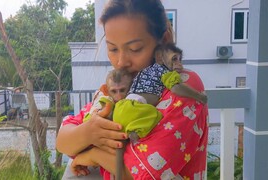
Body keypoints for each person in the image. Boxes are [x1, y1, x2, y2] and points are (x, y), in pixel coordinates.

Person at [56, 0, 209, 179]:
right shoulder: (118, 87)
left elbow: (144, 174)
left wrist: (92, 154)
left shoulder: (184, 87)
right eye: (112, 48)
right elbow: (63, 141)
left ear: (164, 40)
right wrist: (89, 132)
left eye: (135, 49)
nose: (121, 62)